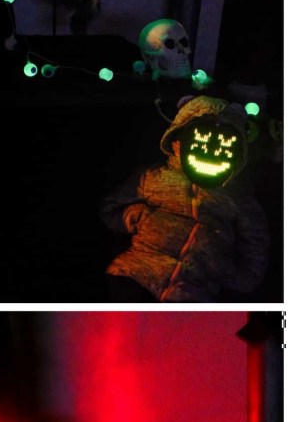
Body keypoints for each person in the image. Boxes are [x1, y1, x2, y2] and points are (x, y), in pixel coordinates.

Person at [100, 95, 269, 302]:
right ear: (178, 139)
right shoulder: (153, 178)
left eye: (224, 145)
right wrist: (140, 217)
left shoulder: (239, 197)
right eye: (201, 141)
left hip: (191, 291)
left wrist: (225, 270)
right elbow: (109, 209)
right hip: (136, 275)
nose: (212, 153)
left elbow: (256, 245)